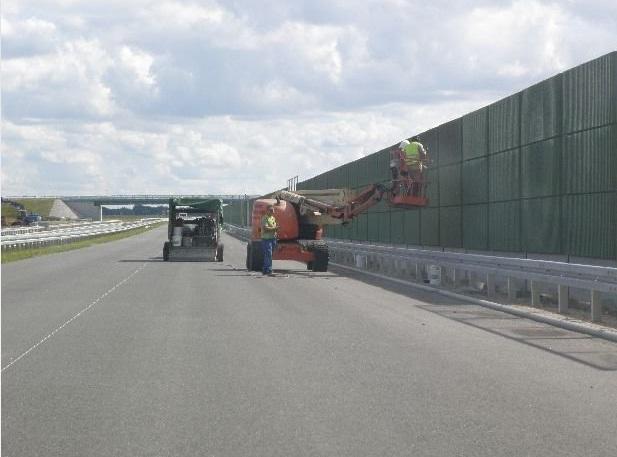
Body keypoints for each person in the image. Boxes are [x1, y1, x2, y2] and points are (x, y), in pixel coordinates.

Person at [260, 205, 278, 275]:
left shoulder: (273, 218)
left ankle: (265, 269)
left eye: (273, 210)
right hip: (266, 239)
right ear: (267, 210)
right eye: (271, 210)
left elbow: (274, 226)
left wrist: (276, 231)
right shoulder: (265, 218)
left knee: (269, 254)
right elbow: (265, 228)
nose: (272, 211)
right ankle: (269, 269)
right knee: (268, 254)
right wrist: (274, 229)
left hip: (273, 238)